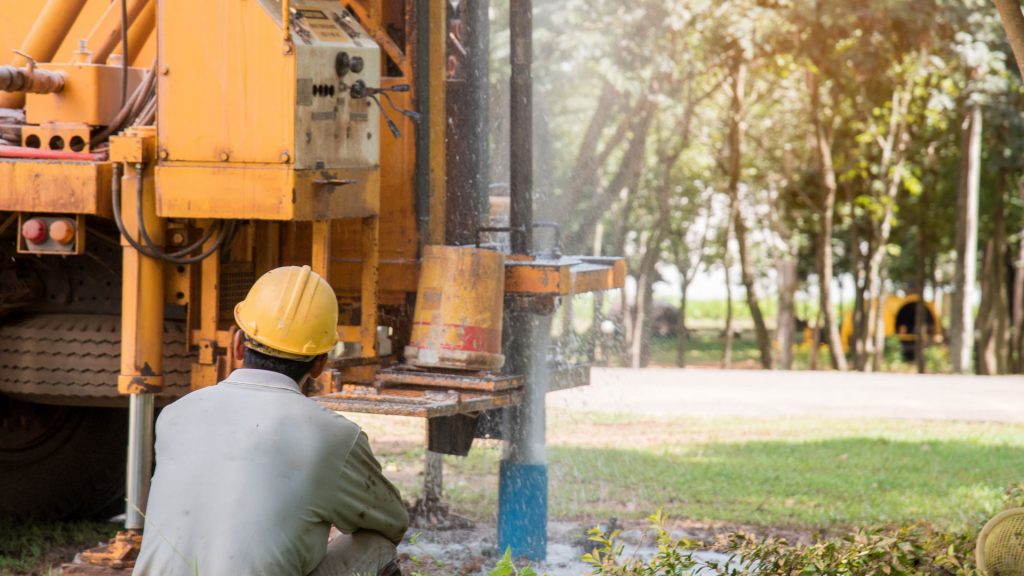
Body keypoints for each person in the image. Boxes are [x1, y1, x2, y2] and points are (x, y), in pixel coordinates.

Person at [133, 265, 409, 576]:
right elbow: (392, 522)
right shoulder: (334, 436)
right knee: (378, 544)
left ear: (238, 343)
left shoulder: (174, 414)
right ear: (320, 363)